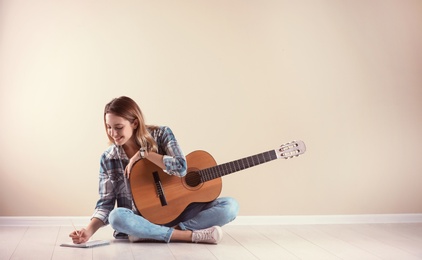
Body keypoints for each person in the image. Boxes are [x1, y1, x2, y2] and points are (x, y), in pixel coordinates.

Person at [70, 96, 239, 244]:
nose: (113, 133)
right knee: (116, 217)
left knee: (230, 206)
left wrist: (144, 154)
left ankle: (157, 234)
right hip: (139, 219)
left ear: (134, 123)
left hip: (178, 215)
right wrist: (88, 232)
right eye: (108, 127)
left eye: (118, 127)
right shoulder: (108, 158)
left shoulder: (162, 134)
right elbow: (105, 205)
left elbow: (181, 168)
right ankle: (188, 236)